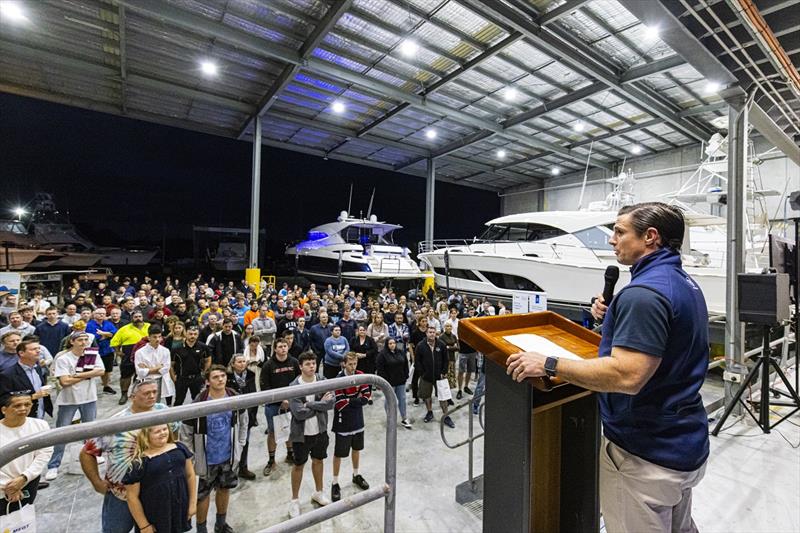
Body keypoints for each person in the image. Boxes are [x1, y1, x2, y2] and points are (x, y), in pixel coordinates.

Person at [506, 202, 710, 533]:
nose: (612, 240)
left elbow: (627, 376)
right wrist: (616, 314)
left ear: (650, 237)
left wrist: (549, 363)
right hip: (683, 442)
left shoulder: (643, 294)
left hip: (645, 454)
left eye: (619, 231)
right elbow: (671, 342)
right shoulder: (683, 283)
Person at [80, 378, 178, 533]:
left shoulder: (163, 412)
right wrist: (96, 482)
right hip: (122, 494)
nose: (152, 396)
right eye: (146, 393)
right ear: (132, 396)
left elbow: (174, 437)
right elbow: (86, 453)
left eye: (154, 392)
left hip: (155, 491)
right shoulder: (116, 423)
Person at [181, 365, 248, 533]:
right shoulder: (199, 402)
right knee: (202, 496)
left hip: (228, 456)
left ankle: (221, 524)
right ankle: (201, 529)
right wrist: (191, 457)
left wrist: (240, 444)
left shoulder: (234, 397)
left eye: (223, 376)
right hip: (205, 459)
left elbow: (243, 422)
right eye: (216, 377)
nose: (220, 379)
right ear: (207, 381)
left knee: (224, 489)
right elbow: (186, 431)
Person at [46, 331, 105, 480]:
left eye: (86, 339)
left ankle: (92, 455)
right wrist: (89, 374)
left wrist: (78, 375)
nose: (84, 342)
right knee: (62, 432)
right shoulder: (63, 358)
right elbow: (64, 382)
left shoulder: (92, 355)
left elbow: (101, 371)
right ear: (72, 341)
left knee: (90, 429)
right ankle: (53, 465)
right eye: (80, 340)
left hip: (89, 397)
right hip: (69, 400)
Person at [123, 425, 197, 533]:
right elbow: (132, 497)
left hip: (178, 511)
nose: (162, 433)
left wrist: (192, 504)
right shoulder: (139, 462)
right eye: (157, 431)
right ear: (146, 435)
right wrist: (144, 526)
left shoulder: (180, 448)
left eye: (165, 429)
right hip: (155, 517)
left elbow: (190, 475)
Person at [288, 352, 335, 518]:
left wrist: (309, 404)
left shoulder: (322, 381)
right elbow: (299, 414)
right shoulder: (294, 386)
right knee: (298, 465)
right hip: (301, 435)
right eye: (307, 364)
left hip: (320, 431)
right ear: (300, 366)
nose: (311, 367)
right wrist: (319, 404)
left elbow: (330, 403)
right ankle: (294, 501)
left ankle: (318, 492)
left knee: (318, 460)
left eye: (313, 363)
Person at [0, 393, 53, 516]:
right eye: (17, 405)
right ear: (4, 409)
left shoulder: (40, 425)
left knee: (23, 519)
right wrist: (9, 488)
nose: (23, 408)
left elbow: (44, 453)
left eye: (27, 404)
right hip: (3, 488)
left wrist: (24, 478)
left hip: (28, 481)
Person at [330, 352, 371, 502]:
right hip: (342, 420)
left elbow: (366, 397)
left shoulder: (360, 375)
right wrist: (356, 399)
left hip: (358, 418)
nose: (353, 367)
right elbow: (339, 403)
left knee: (357, 448)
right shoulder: (339, 379)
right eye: (350, 364)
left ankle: (356, 475)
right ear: (344, 364)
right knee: (339, 453)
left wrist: (351, 400)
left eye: (355, 364)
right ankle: (335, 482)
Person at [260, 338, 300, 476]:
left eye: (285, 346)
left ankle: (290, 454)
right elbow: (265, 386)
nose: (283, 348)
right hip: (273, 405)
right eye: (280, 346)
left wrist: (289, 399)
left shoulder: (294, 362)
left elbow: (298, 382)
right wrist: (280, 400)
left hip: (291, 403)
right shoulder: (268, 365)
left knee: (290, 429)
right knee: (273, 432)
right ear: (275, 349)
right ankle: (271, 460)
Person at [0, 338, 52, 421]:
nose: (38, 351)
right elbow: (4, 398)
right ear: (21, 353)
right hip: (20, 417)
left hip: (39, 413)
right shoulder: (7, 374)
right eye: (33, 349)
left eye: (39, 348)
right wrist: (31, 397)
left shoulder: (37, 368)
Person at [226, 354, 258, 480]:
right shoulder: (226, 376)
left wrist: (253, 416)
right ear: (232, 364)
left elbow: (254, 395)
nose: (242, 364)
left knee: (244, 441)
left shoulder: (250, 374)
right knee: (231, 442)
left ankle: (243, 467)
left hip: (247, 414)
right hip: (231, 414)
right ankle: (229, 469)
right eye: (239, 362)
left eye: (244, 361)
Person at [415, 325, 454, 428]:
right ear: (426, 333)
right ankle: (429, 412)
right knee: (427, 396)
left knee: (443, 397)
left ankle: (446, 415)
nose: (432, 334)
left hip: (439, 376)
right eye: (430, 332)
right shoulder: (420, 345)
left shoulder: (441, 345)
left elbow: (446, 360)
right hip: (426, 377)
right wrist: (422, 373)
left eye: (433, 332)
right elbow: (417, 361)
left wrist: (444, 371)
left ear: (436, 333)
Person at [110, 310, 150, 405]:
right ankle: (124, 394)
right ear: (132, 318)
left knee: (143, 376)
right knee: (125, 376)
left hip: (146, 355)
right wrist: (118, 352)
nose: (138, 318)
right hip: (128, 355)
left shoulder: (149, 326)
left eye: (139, 316)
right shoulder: (124, 329)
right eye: (135, 317)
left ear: (142, 317)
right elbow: (114, 342)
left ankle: (140, 394)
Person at [171, 325, 212, 406]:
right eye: (190, 334)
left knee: (198, 400)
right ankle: (176, 418)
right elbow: (171, 364)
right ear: (186, 333)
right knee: (179, 401)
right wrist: (174, 378)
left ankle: (198, 418)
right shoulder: (177, 347)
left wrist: (204, 373)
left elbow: (208, 359)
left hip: (197, 378)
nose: (192, 336)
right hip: (181, 378)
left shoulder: (203, 347)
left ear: (198, 335)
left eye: (195, 334)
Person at [134, 326, 175, 406]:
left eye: (159, 337)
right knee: (145, 403)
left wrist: (147, 369)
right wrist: (158, 367)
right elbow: (140, 372)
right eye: (154, 337)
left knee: (157, 403)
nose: (158, 339)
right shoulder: (140, 352)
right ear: (149, 337)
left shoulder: (165, 351)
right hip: (145, 381)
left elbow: (165, 369)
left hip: (160, 379)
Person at [376, 337, 411, 429]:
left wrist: (406, 375)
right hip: (389, 382)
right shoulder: (382, 355)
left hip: (400, 381)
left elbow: (405, 364)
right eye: (390, 343)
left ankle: (404, 418)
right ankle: (390, 418)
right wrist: (384, 381)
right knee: (389, 401)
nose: (392, 345)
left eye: (394, 343)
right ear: (387, 345)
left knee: (402, 399)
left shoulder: (400, 352)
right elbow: (380, 369)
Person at [85, 307, 118, 395]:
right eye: (99, 313)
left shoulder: (108, 323)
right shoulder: (89, 325)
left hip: (108, 349)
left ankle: (106, 386)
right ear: (94, 315)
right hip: (94, 351)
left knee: (108, 370)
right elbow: (93, 337)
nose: (102, 315)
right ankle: (88, 388)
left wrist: (103, 334)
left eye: (103, 314)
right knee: (91, 370)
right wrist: (108, 334)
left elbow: (115, 333)